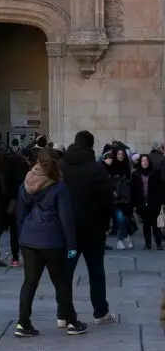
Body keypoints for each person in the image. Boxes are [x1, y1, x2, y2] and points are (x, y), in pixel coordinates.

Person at [14, 145, 87, 337]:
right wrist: (72, 244)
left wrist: (23, 236)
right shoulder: (58, 186)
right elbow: (66, 218)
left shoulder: (26, 183)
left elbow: (20, 214)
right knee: (61, 282)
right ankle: (71, 321)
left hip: (29, 239)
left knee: (29, 283)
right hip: (52, 241)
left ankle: (23, 323)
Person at [59, 130, 115, 324]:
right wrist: (106, 224)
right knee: (96, 271)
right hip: (93, 229)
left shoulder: (61, 167)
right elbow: (106, 201)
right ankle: (100, 311)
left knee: (65, 273)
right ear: (91, 146)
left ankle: (63, 314)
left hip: (67, 230)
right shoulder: (97, 169)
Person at [132, 153, 164, 250]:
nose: (145, 163)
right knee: (146, 224)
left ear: (149, 162)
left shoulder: (155, 172)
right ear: (140, 162)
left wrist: (162, 201)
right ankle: (148, 243)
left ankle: (158, 243)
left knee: (155, 223)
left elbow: (161, 188)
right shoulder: (136, 174)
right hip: (142, 202)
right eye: (143, 161)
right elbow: (133, 190)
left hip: (154, 202)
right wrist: (134, 204)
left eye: (146, 160)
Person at [108, 146, 134, 249]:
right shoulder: (111, 168)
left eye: (122, 154)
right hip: (115, 199)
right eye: (118, 154)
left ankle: (126, 236)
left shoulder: (127, 168)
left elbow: (130, 183)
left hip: (126, 198)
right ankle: (120, 240)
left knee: (126, 219)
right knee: (121, 218)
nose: (120, 156)